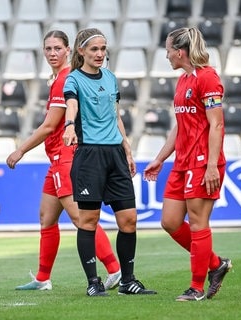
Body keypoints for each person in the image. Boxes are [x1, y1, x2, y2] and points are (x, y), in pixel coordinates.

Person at [6, 30, 121, 291]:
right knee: (47, 217)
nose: (53, 53)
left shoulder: (65, 79)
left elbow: (49, 126)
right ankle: (43, 278)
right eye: (48, 49)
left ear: (69, 50)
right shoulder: (59, 78)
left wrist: (20, 150)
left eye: (58, 48)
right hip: (56, 158)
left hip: (66, 157)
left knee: (81, 218)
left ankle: (115, 269)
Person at [62, 28, 157, 297]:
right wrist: (70, 126)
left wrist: (127, 148)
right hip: (90, 154)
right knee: (89, 220)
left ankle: (128, 281)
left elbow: (115, 116)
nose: (100, 54)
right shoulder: (74, 80)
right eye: (94, 49)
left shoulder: (112, 79)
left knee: (129, 220)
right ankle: (93, 282)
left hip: (115, 154)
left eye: (103, 49)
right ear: (81, 51)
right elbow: (72, 105)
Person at [143, 27, 232, 301]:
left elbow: (216, 124)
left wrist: (212, 165)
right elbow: (180, 126)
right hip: (182, 163)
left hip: (203, 162)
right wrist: (160, 158)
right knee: (170, 222)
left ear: (179, 52)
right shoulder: (183, 81)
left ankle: (196, 287)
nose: (167, 56)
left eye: (168, 51)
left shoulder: (208, 78)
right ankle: (216, 265)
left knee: (197, 222)